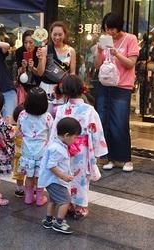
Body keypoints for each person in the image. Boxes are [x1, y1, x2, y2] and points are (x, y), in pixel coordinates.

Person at [51, 75, 107, 219]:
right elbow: (96, 131)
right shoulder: (89, 110)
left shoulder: (61, 110)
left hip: (64, 148)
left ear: (65, 91)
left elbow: (55, 132)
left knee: (66, 176)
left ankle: (68, 204)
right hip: (82, 150)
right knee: (81, 178)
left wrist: (52, 148)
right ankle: (80, 208)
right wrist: (97, 152)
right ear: (82, 90)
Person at [93, 12, 139, 172]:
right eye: (107, 29)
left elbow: (131, 64)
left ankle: (126, 159)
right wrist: (99, 52)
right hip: (105, 85)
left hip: (122, 86)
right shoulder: (105, 39)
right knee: (104, 121)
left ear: (119, 27)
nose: (109, 32)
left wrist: (117, 53)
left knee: (119, 122)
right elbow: (98, 66)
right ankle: (110, 157)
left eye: (112, 29)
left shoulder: (130, 39)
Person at [38, 117, 81, 234]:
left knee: (53, 199)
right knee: (65, 200)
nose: (75, 139)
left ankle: (48, 220)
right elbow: (51, 165)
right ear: (67, 135)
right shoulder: (58, 149)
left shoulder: (56, 143)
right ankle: (59, 223)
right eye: (75, 136)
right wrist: (63, 176)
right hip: (55, 180)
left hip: (51, 180)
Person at [17, 87, 53, 206]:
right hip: (42, 152)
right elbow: (51, 133)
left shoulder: (22, 114)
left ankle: (28, 197)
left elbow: (19, 130)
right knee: (39, 176)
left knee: (29, 175)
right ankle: (39, 198)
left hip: (27, 151)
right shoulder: (47, 117)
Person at [37, 21, 76, 113]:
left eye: (60, 34)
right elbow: (40, 72)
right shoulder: (45, 50)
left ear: (65, 34)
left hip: (63, 89)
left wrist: (71, 90)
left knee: (63, 118)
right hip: (47, 88)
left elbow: (72, 73)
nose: (57, 37)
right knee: (47, 117)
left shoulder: (71, 51)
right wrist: (40, 59)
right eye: (54, 34)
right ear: (51, 34)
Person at [136, 32, 154, 116]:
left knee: (143, 90)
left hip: (142, 71)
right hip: (151, 71)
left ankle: (143, 110)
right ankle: (149, 111)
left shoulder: (142, 49)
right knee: (151, 90)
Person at [15, 30, 40, 104]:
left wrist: (32, 67)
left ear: (35, 42)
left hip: (37, 83)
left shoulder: (39, 51)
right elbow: (20, 72)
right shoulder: (19, 51)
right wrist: (23, 67)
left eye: (31, 42)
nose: (28, 45)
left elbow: (40, 73)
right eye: (25, 42)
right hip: (24, 84)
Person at [9, 104, 26, 197]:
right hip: (28, 153)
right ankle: (34, 189)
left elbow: (10, 136)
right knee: (32, 173)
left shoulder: (15, 129)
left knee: (19, 173)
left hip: (18, 154)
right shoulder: (29, 129)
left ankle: (19, 190)